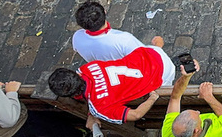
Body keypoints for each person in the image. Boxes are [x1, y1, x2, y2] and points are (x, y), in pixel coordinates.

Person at [48, 45, 176, 125]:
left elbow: (136, 115)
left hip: (162, 73)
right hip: (148, 52)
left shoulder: (101, 108)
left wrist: (153, 97)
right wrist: (92, 113)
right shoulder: (87, 68)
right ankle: (160, 47)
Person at [0, 80, 91, 137]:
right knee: (47, 125)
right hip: (14, 125)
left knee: (35, 132)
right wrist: (11, 93)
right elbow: (10, 119)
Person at [72, 0, 154, 63]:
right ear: (104, 12)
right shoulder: (124, 39)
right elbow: (147, 57)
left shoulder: (77, 37)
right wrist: (157, 45)